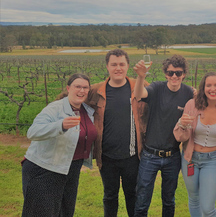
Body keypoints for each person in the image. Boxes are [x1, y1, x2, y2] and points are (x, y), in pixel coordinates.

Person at [22, 73, 97, 217]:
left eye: (85, 88)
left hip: (71, 169)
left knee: (65, 212)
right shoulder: (55, 108)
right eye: (77, 86)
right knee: (41, 213)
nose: (81, 91)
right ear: (68, 88)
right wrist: (60, 125)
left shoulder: (87, 111)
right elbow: (32, 132)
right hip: (44, 168)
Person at [86, 49, 148, 217]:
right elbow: (74, 100)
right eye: (114, 64)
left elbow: (162, 98)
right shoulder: (96, 91)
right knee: (110, 196)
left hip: (133, 156)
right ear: (107, 66)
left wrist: (192, 94)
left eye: (122, 64)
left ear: (128, 66)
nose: (118, 68)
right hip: (106, 157)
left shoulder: (139, 87)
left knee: (132, 196)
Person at [133, 54, 194, 217]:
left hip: (173, 155)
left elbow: (204, 104)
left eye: (178, 73)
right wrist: (141, 76)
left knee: (169, 201)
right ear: (165, 74)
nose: (174, 76)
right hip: (149, 155)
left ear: (184, 74)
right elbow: (139, 95)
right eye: (170, 72)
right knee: (142, 201)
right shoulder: (157, 88)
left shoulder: (189, 92)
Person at [173, 72, 216, 217]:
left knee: (208, 208)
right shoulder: (192, 105)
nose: (212, 89)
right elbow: (179, 135)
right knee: (194, 199)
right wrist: (181, 124)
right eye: (208, 85)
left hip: (212, 160)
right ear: (203, 88)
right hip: (190, 158)